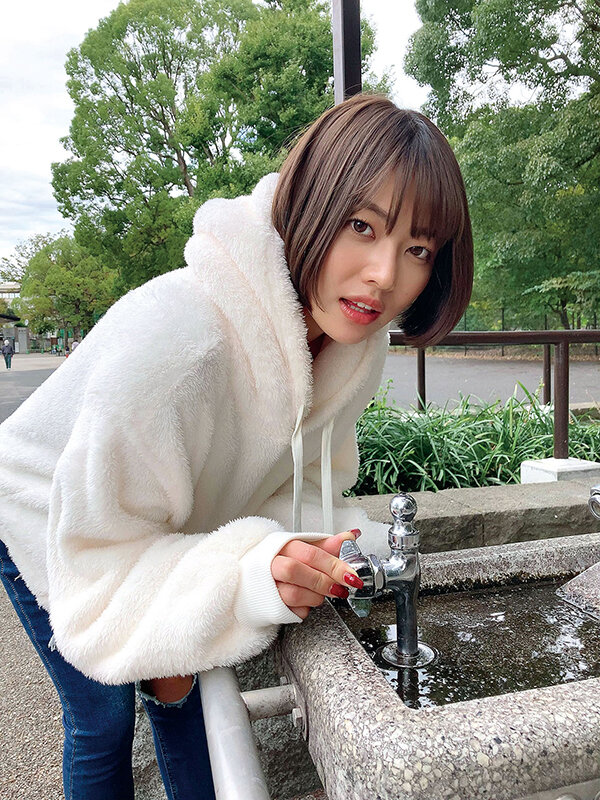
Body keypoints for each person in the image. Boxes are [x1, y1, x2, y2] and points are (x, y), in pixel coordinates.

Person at [0, 95, 473, 800]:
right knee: (101, 718)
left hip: (157, 516)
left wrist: (323, 546)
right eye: (361, 226)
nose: (384, 274)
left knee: (183, 689)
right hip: (45, 508)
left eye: (418, 250)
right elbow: (99, 567)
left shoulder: (354, 339)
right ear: (308, 203)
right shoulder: (178, 341)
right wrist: (243, 575)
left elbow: (299, 481)